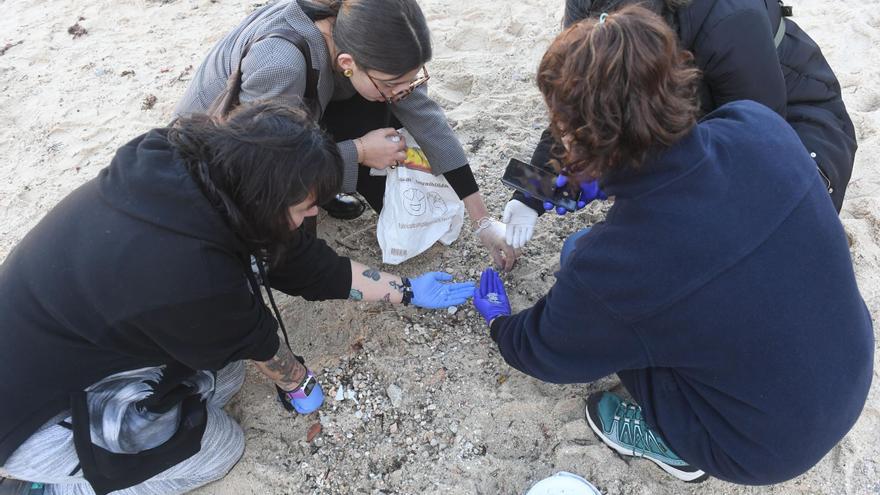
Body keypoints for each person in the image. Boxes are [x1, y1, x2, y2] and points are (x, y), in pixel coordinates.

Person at [474, 6, 873, 485]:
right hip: (852, 369)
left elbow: (541, 350)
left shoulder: (612, 267)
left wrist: (499, 322)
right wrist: (533, 191)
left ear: (581, 142)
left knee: (582, 259)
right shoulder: (758, 125)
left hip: (761, 449)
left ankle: (677, 450)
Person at [0, 102, 475, 495]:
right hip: (31, 415)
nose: (311, 216)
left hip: (83, 335)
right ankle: (51, 486)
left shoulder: (185, 162)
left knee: (223, 379)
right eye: (306, 208)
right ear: (267, 201)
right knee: (220, 449)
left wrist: (403, 289)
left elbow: (299, 261)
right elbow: (262, 343)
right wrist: (299, 384)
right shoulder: (193, 273)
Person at [175, 0, 516, 270]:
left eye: (408, 80)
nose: (403, 91)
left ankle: (326, 187)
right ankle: (299, 211)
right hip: (224, 154)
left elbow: (427, 120)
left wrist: (482, 219)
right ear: (348, 62)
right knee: (286, 226)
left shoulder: (362, 28)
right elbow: (263, 163)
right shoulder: (282, 61)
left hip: (297, 111)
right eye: (393, 82)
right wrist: (359, 152)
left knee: (381, 104)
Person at [503, 0, 858, 249]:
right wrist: (533, 190)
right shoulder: (587, 4)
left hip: (792, 129)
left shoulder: (729, 16)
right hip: (680, 118)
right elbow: (581, 100)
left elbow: (759, 145)